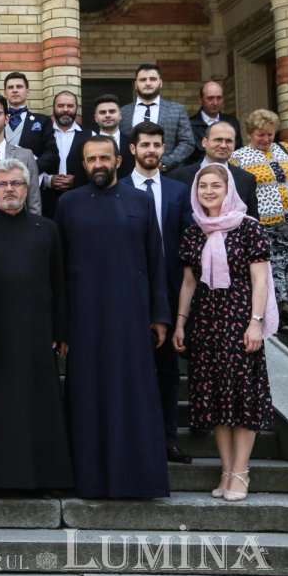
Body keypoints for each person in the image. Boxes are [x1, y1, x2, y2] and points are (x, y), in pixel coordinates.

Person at [56, 136, 170, 499]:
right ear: (84, 164)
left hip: (131, 316)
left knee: (132, 394)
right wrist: (62, 327)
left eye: (104, 157)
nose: (98, 164)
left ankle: (137, 479)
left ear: (119, 160)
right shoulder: (68, 203)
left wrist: (160, 315)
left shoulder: (139, 200)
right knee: (88, 396)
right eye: (91, 159)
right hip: (84, 319)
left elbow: (155, 260)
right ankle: (89, 480)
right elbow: (58, 271)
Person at [173, 164, 278, 502]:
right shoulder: (194, 231)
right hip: (206, 324)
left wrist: (255, 322)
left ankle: (241, 471)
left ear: (228, 188)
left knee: (243, 396)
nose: (208, 191)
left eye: (215, 186)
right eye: (202, 186)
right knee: (217, 398)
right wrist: (180, 321)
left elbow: (260, 280)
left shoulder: (248, 228)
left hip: (240, 321)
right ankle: (226, 469)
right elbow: (189, 283)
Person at [0, 159, 74, 492]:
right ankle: (1, 479)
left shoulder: (46, 228)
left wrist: (61, 331)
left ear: (27, 188)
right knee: (0, 409)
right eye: (2, 185)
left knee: (38, 405)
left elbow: (58, 282)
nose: (9, 191)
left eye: (16, 184)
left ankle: (44, 478)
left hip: (37, 333)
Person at [121, 121, 194, 464]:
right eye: (145, 145)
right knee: (131, 368)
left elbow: (187, 244)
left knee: (167, 370)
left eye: (157, 145)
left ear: (164, 149)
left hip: (169, 291)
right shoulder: (117, 190)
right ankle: (134, 437)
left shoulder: (179, 192)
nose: (152, 150)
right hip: (129, 292)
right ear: (132, 149)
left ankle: (167, 439)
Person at [231, 109, 288, 314]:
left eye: (270, 134)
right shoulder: (238, 157)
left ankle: (282, 313)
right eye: (261, 134)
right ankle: (271, 318)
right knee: (270, 273)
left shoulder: (285, 149)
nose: (266, 138)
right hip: (264, 226)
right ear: (250, 133)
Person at [168, 121, 258, 217]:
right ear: (204, 142)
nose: (223, 145)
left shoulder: (246, 179)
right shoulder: (179, 177)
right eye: (218, 140)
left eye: (229, 141)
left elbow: (253, 220)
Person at [120, 63, 195, 170]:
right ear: (136, 84)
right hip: (131, 175)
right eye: (143, 80)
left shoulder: (177, 110)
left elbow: (187, 142)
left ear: (161, 83)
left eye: (153, 79)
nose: (148, 83)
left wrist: (165, 163)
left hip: (169, 174)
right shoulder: (123, 112)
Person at [38, 90, 89, 218]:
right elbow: (31, 163)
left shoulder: (90, 135)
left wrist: (76, 180)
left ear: (77, 108)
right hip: (46, 202)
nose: (65, 110)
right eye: (61, 106)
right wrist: (48, 180)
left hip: (80, 201)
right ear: (53, 108)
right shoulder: (41, 135)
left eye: (70, 106)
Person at [186, 80, 243, 166]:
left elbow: (238, 151)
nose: (215, 103)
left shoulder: (232, 123)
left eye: (219, 98)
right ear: (201, 100)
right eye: (210, 98)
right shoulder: (189, 125)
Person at [2, 72, 53, 158]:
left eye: (19, 86)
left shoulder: (43, 121)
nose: (15, 90)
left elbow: (51, 153)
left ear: (27, 92)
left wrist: (32, 166)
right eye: (11, 87)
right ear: (5, 93)